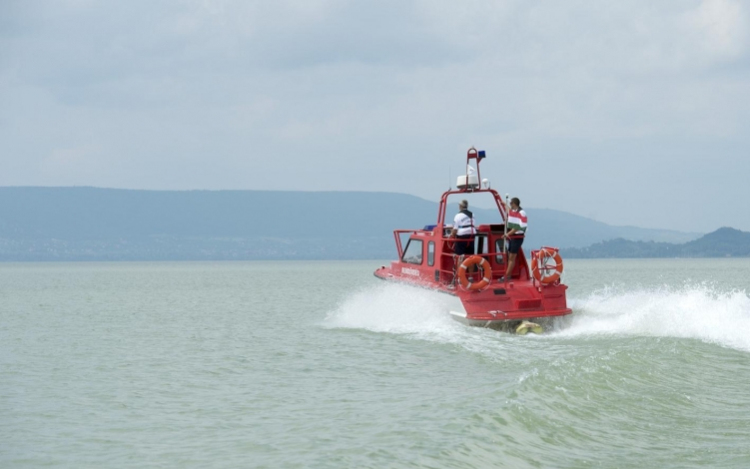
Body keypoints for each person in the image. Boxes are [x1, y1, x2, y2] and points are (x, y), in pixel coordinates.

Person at [504, 197, 527, 281]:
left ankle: (507, 276)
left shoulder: (522, 212)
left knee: (511, 257)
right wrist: (503, 204)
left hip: (517, 237)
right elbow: (509, 211)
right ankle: (508, 274)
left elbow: (518, 227)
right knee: (509, 256)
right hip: (513, 237)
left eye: (511, 204)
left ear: (514, 204)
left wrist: (507, 234)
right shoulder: (515, 211)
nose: (510, 205)